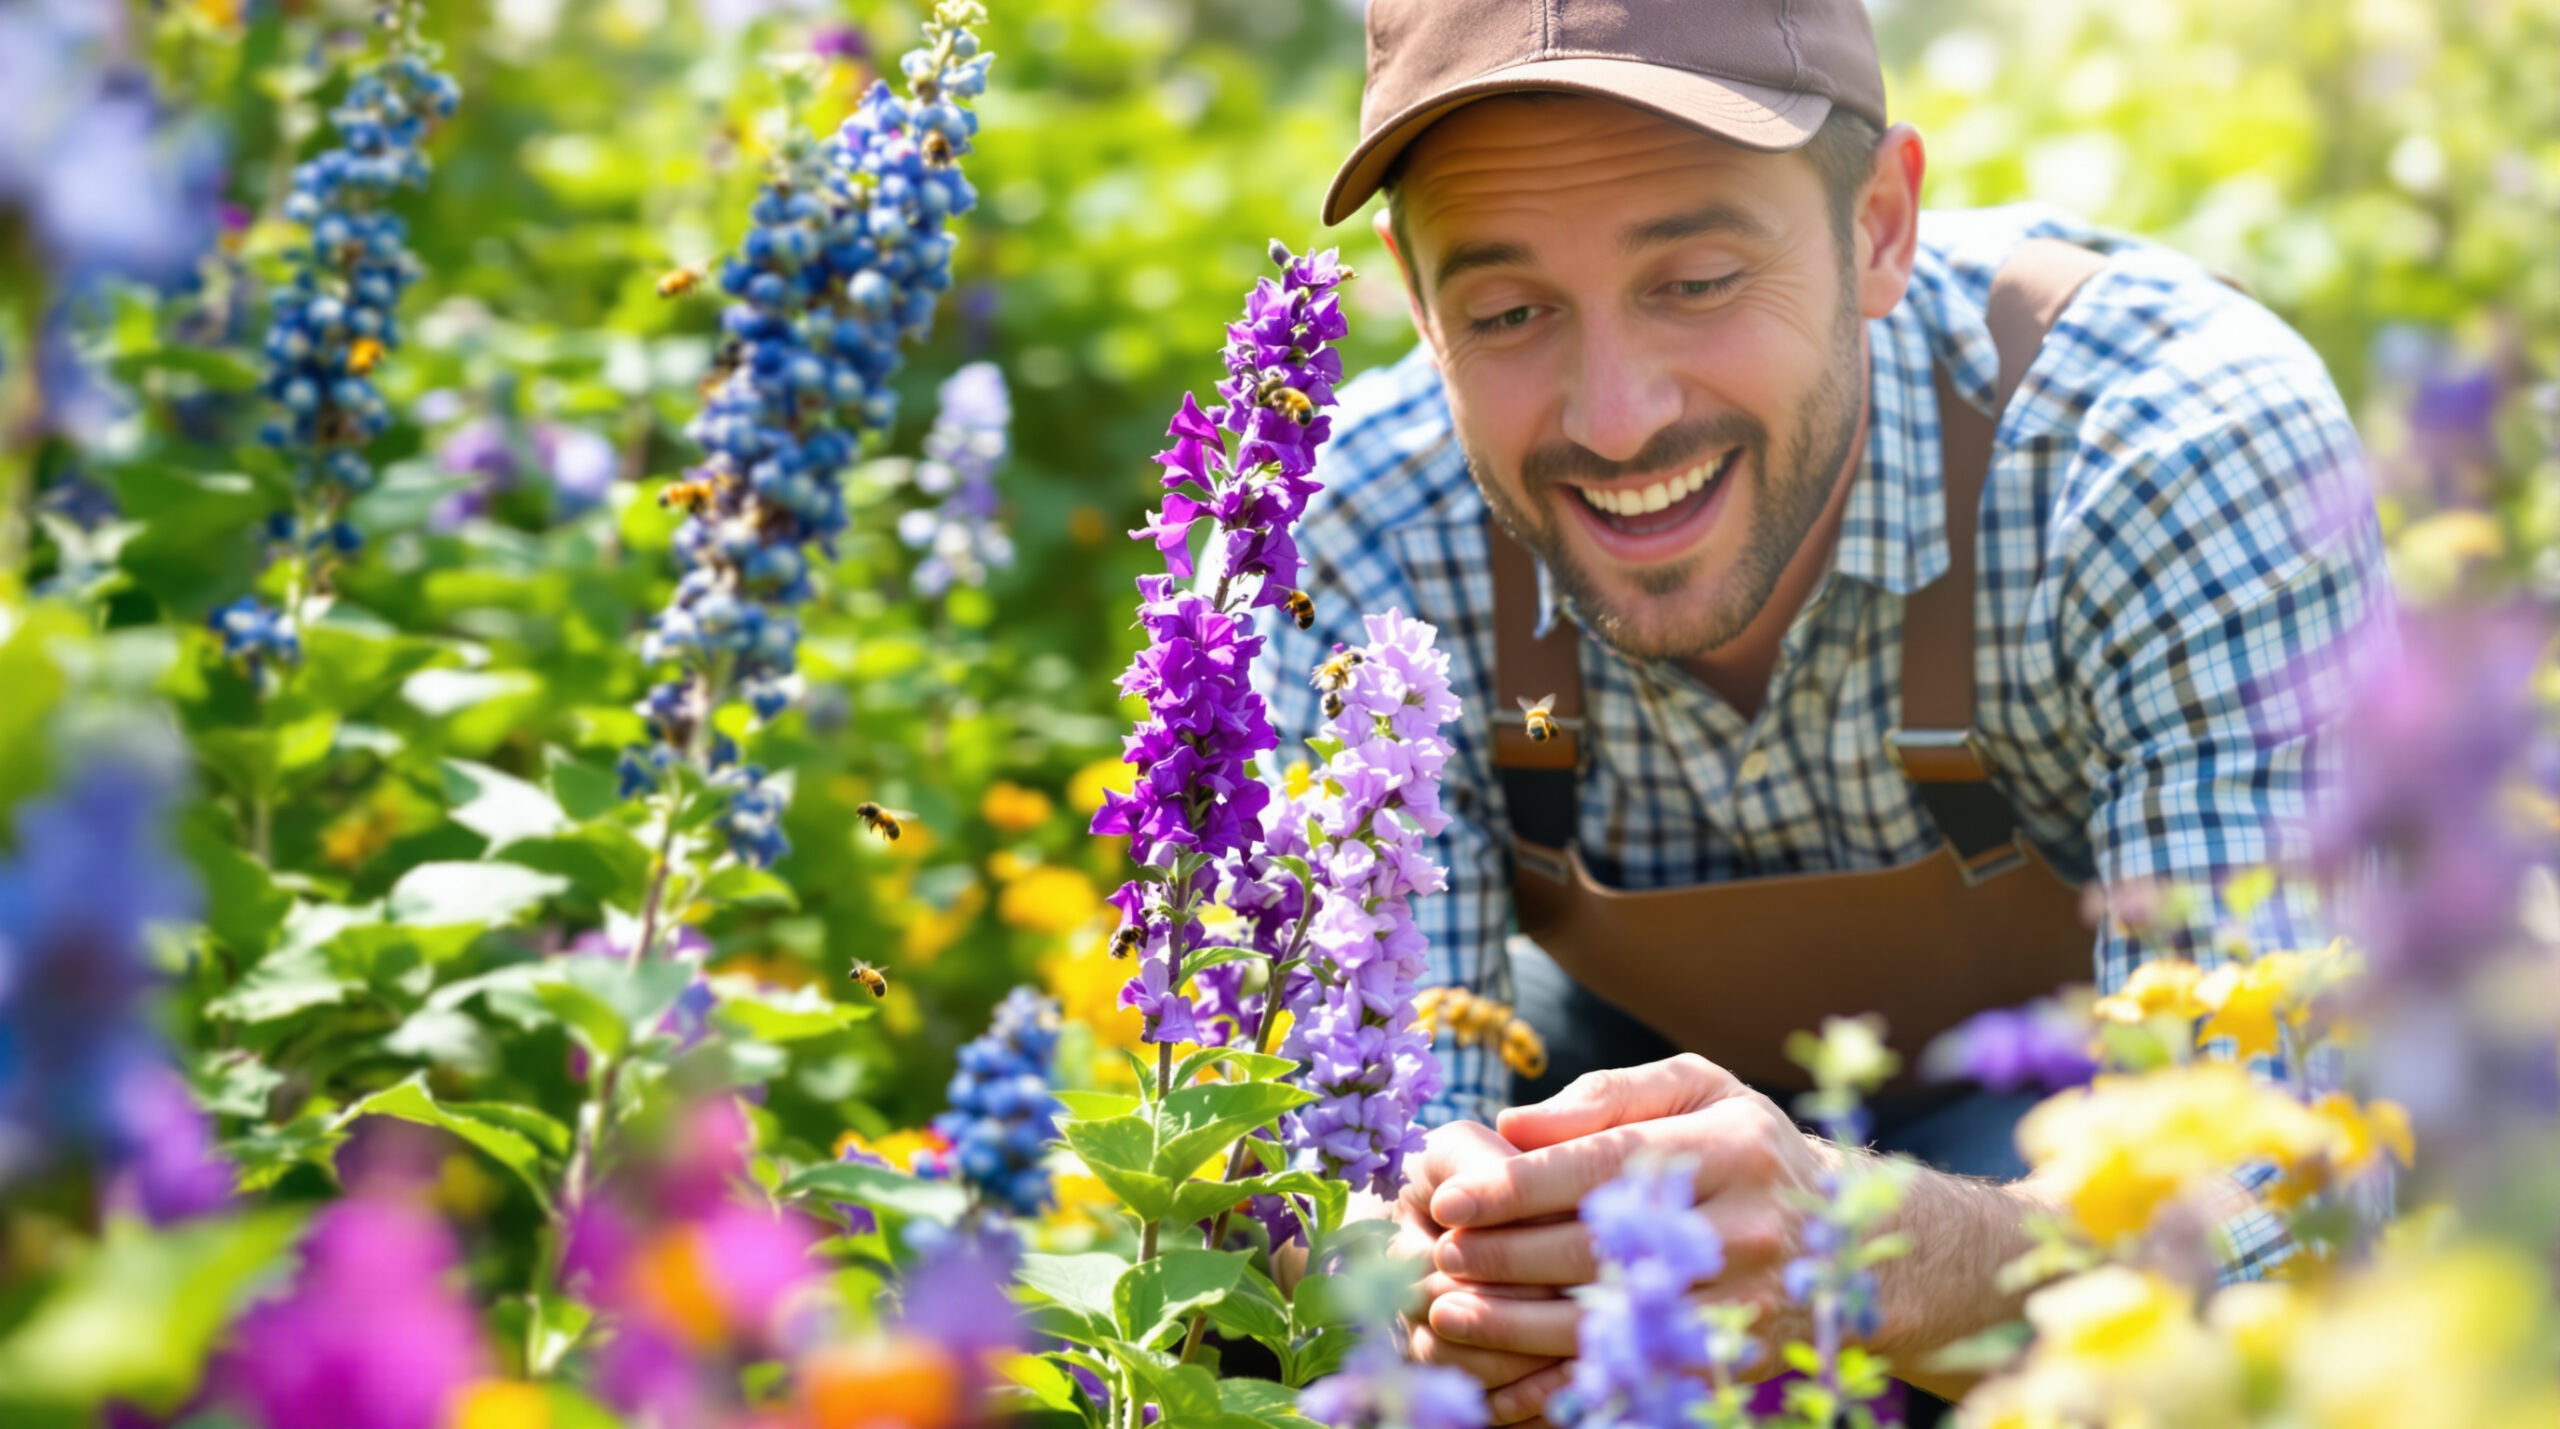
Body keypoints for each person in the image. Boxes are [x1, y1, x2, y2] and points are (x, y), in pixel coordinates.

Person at [1254, 0, 2393, 1421]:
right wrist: (1456, 1267)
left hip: (2070, 1132)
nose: (1616, 417)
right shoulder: (1354, 532)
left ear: (1878, 225)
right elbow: (1343, 1153)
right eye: (1508, 312)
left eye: (1698, 277)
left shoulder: (2170, 452)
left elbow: (2295, 1187)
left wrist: (1863, 1249)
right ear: (1418, 307)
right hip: (1602, 1145)